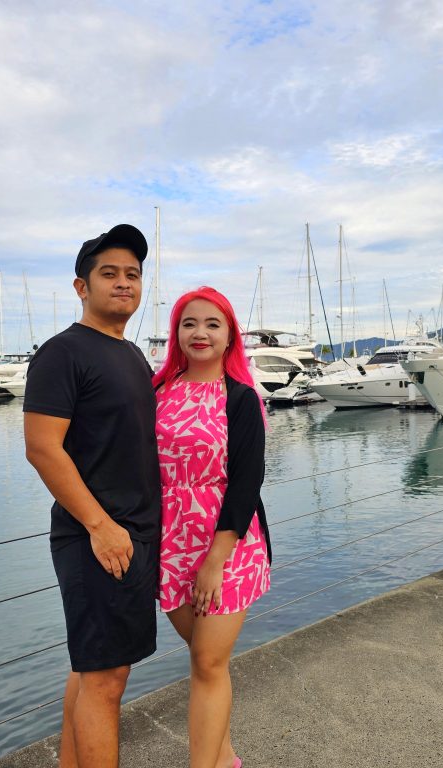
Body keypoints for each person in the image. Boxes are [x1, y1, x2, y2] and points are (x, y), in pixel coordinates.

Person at [23, 224, 160, 768]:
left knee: (92, 669)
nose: (123, 283)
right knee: (106, 681)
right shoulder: (62, 353)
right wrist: (101, 527)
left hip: (130, 534)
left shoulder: (129, 355)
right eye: (109, 274)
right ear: (81, 286)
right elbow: (42, 449)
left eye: (132, 274)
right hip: (98, 537)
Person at [153, 287, 272, 768]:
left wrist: (214, 563)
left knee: (207, 663)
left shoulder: (241, 399)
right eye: (189, 323)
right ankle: (225, 760)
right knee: (204, 657)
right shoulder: (157, 392)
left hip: (228, 546)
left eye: (212, 324)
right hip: (169, 543)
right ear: (176, 334)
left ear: (229, 337)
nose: (199, 333)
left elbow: (247, 483)